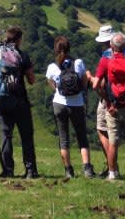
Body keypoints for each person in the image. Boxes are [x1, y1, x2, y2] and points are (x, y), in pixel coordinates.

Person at [92, 31, 125, 181]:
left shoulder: (106, 60)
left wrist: (107, 102)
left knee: (113, 141)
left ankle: (113, 174)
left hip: (113, 107)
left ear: (111, 45)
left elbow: (96, 85)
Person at [0, 26, 38, 179]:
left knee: (6, 135)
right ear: (18, 40)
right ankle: (30, 170)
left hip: (3, 99)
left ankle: (7, 170)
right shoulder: (22, 55)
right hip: (20, 101)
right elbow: (31, 80)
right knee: (26, 136)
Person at [45, 35, 95, 178]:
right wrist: (79, 91)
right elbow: (85, 82)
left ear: (55, 50)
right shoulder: (78, 63)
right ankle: (87, 168)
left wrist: (58, 91)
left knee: (63, 138)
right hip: (77, 103)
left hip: (59, 104)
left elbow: (52, 85)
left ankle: (68, 170)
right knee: (81, 136)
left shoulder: (52, 67)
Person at [86, 24, 115, 177]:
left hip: (107, 100)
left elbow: (98, 84)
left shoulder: (105, 58)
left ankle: (112, 167)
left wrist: (89, 77)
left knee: (102, 131)